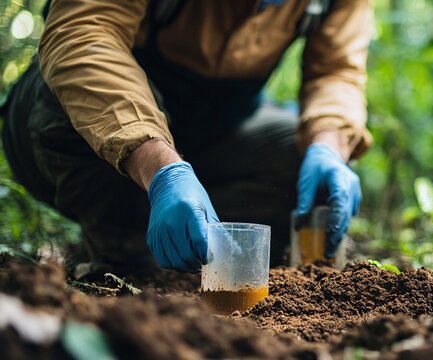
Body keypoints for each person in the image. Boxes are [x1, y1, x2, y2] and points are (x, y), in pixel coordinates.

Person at [1, 0, 372, 276]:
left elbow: (336, 70)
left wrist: (328, 145)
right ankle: (124, 255)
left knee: (295, 155)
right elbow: (82, 30)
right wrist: (162, 169)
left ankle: (205, 243)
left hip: (215, 133)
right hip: (86, 130)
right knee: (66, 103)